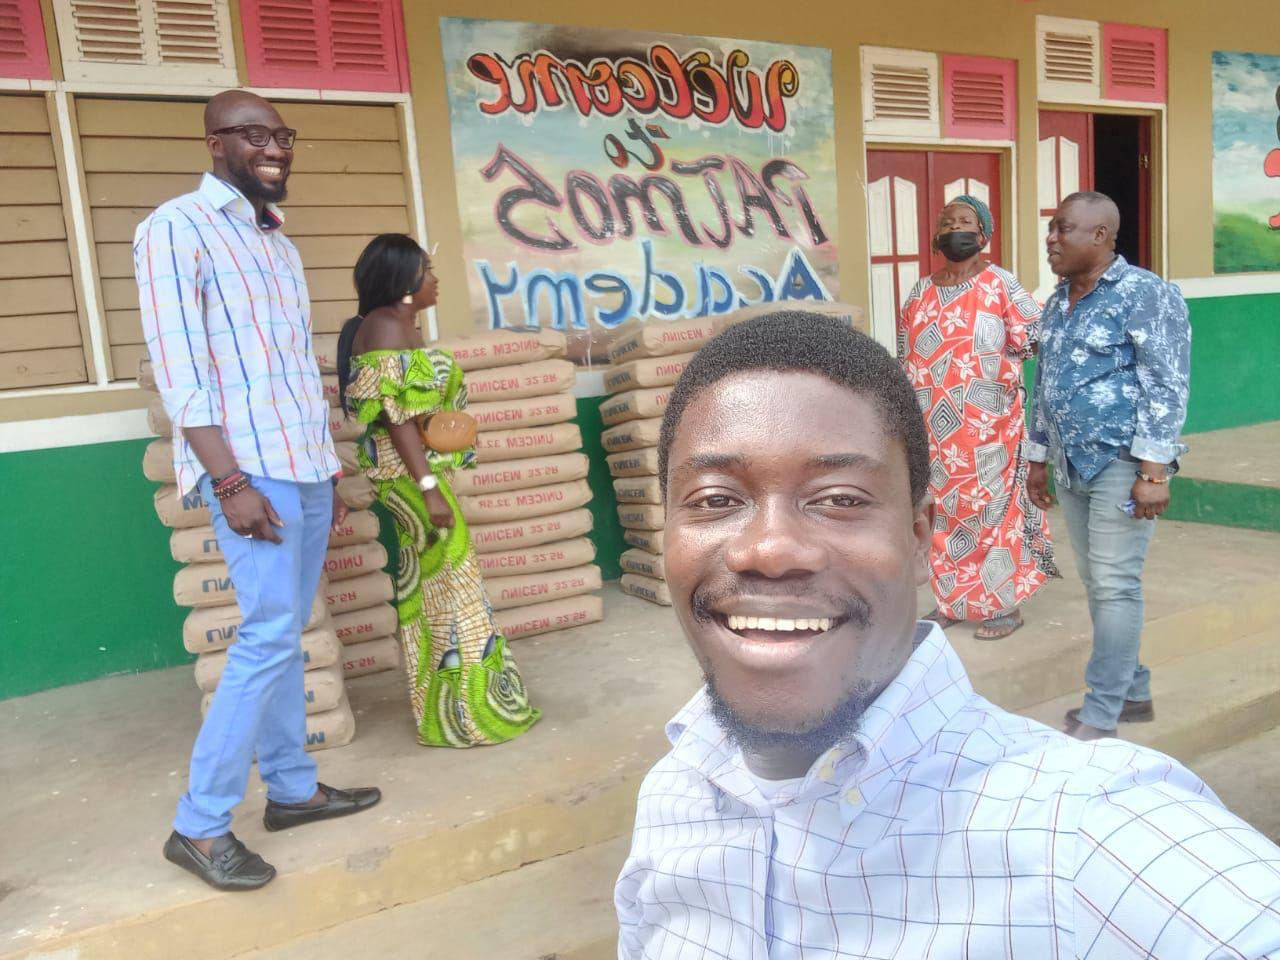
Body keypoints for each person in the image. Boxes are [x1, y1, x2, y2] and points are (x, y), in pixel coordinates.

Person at [614, 311, 1280, 956]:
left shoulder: (1081, 833)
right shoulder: (674, 796)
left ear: (919, 535)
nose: (770, 549)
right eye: (715, 500)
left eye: (840, 498)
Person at [136, 90, 380, 892]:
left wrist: (326, 468)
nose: (273, 147)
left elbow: (292, 369)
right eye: (252, 134)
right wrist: (229, 478)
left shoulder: (277, 241)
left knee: (285, 628)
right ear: (215, 143)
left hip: (302, 464)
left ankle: (292, 789)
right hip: (248, 466)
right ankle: (200, 825)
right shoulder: (176, 228)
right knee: (268, 634)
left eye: (281, 134)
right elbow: (181, 370)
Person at [336, 234, 539, 748]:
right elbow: (397, 417)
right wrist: (428, 487)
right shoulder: (385, 327)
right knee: (451, 584)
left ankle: (453, 709)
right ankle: (466, 716)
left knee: (442, 584)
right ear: (404, 280)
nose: (435, 278)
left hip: (416, 472)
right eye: (426, 269)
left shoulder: (398, 325)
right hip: (408, 477)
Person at [1028, 191, 1192, 742]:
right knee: (1099, 582)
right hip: (1072, 463)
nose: (1051, 238)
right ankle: (1134, 689)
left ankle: (1102, 713)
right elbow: (1045, 384)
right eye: (1052, 228)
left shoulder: (1146, 294)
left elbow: (1167, 385)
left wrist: (1154, 472)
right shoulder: (1058, 301)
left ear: (1100, 235)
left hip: (1122, 462)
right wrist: (1037, 457)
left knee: (1116, 584)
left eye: (1063, 228)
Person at [899, 195, 1057, 639]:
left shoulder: (1000, 284)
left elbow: (1035, 340)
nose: (955, 227)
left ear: (983, 234)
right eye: (947, 221)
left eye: (965, 221)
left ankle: (1002, 604)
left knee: (992, 513)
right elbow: (906, 356)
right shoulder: (920, 293)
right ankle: (953, 601)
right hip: (933, 431)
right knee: (941, 513)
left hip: (991, 428)